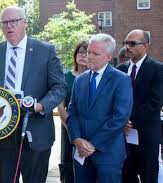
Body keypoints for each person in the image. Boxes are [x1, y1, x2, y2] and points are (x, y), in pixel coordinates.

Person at [0, 6, 67, 183]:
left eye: (14, 22)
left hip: (36, 130)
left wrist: (42, 105)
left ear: (25, 23)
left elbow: (59, 87)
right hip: (2, 133)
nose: (9, 26)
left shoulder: (45, 50)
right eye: (5, 23)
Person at [67, 33, 133, 183]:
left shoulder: (121, 80)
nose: (89, 56)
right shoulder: (80, 80)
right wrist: (76, 139)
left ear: (108, 57)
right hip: (81, 153)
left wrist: (93, 144)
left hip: (108, 154)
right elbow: (72, 113)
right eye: (88, 51)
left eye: (95, 53)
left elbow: (120, 118)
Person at [117, 29, 163, 183]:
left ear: (145, 46)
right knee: (126, 176)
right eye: (125, 43)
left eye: (132, 44)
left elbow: (155, 102)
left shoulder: (158, 69)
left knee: (149, 176)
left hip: (147, 138)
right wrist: (121, 122)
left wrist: (129, 120)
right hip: (123, 138)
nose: (127, 47)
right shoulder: (120, 70)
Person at [57, 40, 88, 183]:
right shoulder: (65, 78)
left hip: (90, 131)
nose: (83, 55)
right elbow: (61, 106)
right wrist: (72, 131)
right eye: (81, 52)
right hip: (68, 129)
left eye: (87, 52)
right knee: (69, 168)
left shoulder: (95, 78)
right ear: (75, 55)